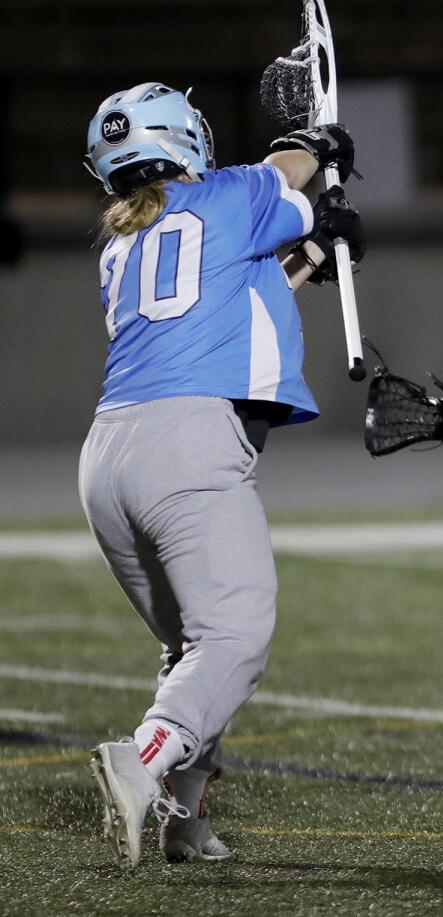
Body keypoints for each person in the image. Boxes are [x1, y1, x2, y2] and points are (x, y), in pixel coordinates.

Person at [79, 82, 363, 868]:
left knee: (192, 647)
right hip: (189, 441)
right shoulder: (228, 194)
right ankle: (144, 758)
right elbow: (285, 168)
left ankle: (182, 817)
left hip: (109, 454)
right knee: (235, 634)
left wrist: (307, 255)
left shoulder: (120, 242)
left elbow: (226, 298)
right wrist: (324, 143)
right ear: (182, 141)